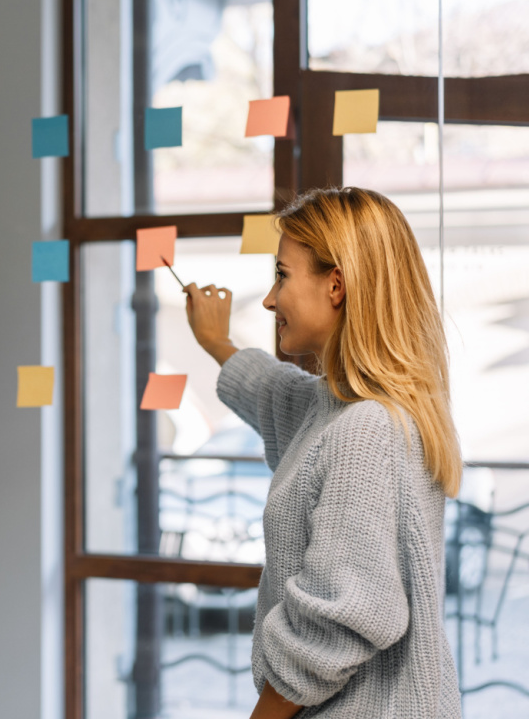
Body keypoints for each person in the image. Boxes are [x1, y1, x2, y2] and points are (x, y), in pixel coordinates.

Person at [183, 187, 462, 718]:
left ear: (336, 284)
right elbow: (272, 392)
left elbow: (333, 626)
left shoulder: (365, 431)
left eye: (282, 275)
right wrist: (216, 341)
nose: (269, 299)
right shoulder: (340, 409)